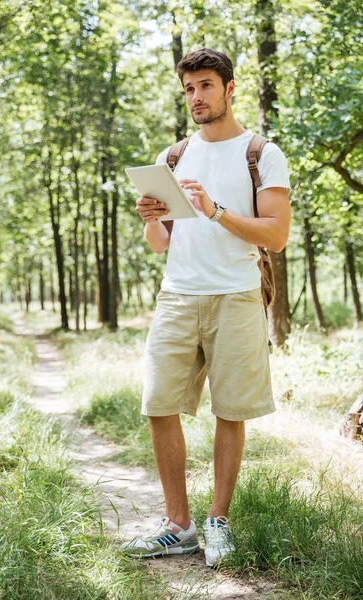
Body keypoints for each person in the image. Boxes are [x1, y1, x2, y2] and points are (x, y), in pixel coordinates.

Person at [121, 48, 291, 567]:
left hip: (235, 295)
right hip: (177, 294)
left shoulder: (261, 153)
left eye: (206, 86)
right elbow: (159, 243)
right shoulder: (173, 157)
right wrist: (151, 217)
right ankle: (179, 524)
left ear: (230, 88)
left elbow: (277, 235)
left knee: (229, 410)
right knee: (158, 403)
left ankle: (218, 521)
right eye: (190, 88)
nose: (196, 97)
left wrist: (216, 211)